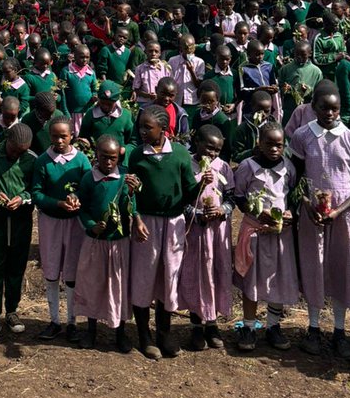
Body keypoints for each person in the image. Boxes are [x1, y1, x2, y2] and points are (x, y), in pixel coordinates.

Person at [289, 86, 350, 359]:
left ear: (340, 109)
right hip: (312, 214)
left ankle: (339, 330)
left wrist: (340, 210)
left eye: (334, 109)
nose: (329, 113)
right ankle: (313, 329)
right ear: (312, 106)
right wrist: (306, 204)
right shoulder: (303, 136)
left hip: (344, 215)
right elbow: (294, 179)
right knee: (314, 264)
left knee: (342, 266)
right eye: (324, 107)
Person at [128, 104, 211, 360]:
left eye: (148, 127)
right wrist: (135, 217)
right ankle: (144, 335)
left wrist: (201, 186)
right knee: (143, 277)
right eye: (140, 125)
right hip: (147, 224)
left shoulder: (178, 155)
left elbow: (187, 192)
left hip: (173, 224)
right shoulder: (136, 156)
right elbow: (130, 195)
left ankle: (164, 332)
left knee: (168, 276)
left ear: (164, 129)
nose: (142, 131)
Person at [232, 123, 298, 351]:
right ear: (259, 143)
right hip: (255, 231)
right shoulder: (247, 167)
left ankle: (273, 325)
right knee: (251, 278)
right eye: (268, 144)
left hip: (280, 234)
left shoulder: (288, 167)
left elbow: (290, 196)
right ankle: (249, 326)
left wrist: (288, 214)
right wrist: (260, 213)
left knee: (276, 278)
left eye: (279, 145)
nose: (274, 149)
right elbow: (239, 197)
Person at [72, 135, 134, 352]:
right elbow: (83, 207)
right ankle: (90, 331)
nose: (108, 162)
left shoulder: (125, 177)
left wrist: (134, 193)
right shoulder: (90, 178)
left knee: (118, 287)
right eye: (104, 157)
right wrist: (90, 225)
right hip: (96, 241)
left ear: (119, 157)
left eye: (113, 158)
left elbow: (131, 206)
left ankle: (120, 332)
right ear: (95, 155)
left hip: (119, 242)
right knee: (93, 284)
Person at [0, 122, 37, 348]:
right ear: (7, 140)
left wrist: (22, 197)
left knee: (17, 268)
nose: (17, 154)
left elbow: (36, 187)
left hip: (21, 222)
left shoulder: (31, 158)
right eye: (14, 150)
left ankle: (11, 310)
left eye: (22, 151)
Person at [32, 118, 91, 342]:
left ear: (72, 135)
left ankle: (72, 321)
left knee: (72, 272)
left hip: (74, 223)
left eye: (63, 136)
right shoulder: (43, 161)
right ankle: (54, 320)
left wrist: (77, 198)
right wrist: (57, 203)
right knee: (51, 270)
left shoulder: (81, 161)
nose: (59, 141)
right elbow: (36, 193)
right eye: (54, 136)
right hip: (51, 221)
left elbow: (87, 187)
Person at [179, 124, 234, 351]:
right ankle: (196, 326)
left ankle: (212, 324)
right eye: (209, 148)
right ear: (197, 142)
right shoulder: (187, 165)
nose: (212, 154)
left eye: (217, 150)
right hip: (195, 231)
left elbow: (231, 198)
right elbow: (181, 200)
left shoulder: (223, 168)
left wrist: (223, 211)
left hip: (217, 231)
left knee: (215, 274)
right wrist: (197, 213)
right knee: (196, 274)